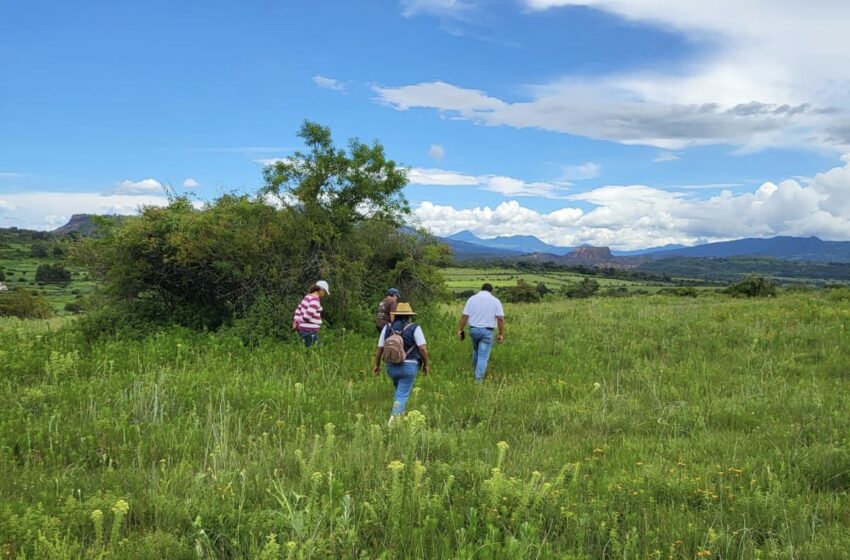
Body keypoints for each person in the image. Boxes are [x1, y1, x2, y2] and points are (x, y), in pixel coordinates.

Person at [372, 302, 430, 424]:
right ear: (409, 316)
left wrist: (377, 366)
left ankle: (400, 415)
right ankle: (393, 422)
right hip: (409, 366)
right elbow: (422, 349)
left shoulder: (387, 328)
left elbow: (379, 350)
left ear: (396, 315)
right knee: (403, 394)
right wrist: (426, 364)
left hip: (391, 367)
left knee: (399, 390)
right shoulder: (415, 328)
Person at [457, 283, 505, 383]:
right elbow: (500, 319)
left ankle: (475, 371)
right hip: (487, 332)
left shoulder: (472, 299)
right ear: (491, 291)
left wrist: (460, 330)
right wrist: (500, 334)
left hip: (473, 330)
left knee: (476, 350)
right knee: (483, 356)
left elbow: (464, 316)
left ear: (481, 289)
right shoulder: (495, 301)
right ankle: (478, 380)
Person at [292, 280, 329, 347]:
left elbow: (298, 309)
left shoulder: (307, 297)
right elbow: (308, 315)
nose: (324, 294)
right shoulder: (315, 300)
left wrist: (296, 320)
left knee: (309, 348)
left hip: (304, 329)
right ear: (321, 290)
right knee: (316, 349)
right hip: (308, 330)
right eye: (324, 291)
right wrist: (298, 322)